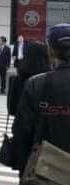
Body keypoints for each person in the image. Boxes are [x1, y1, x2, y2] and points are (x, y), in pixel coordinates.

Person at [12, 23, 70, 176]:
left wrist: (24, 168)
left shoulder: (36, 83)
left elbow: (21, 132)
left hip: (43, 173)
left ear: (50, 50)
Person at [7, 41, 50, 116]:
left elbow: (11, 109)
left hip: (22, 123)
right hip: (44, 124)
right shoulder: (50, 79)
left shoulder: (17, 79)